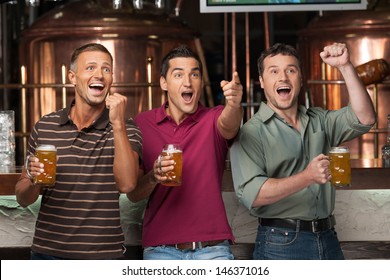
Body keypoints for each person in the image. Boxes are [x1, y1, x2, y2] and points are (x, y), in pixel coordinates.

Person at [230, 42, 376, 260]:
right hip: (280, 242)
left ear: (300, 79)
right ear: (261, 81)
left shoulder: (320, 120)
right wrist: (307, 177)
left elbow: (365, 117)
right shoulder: (251, 132)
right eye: (274, 71)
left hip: (328, 236)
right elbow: (253, 194)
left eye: (291, 70)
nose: (283, 78)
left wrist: (345, 66)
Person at [15, 43, 142, 260]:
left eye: (106, 69)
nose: (99, 75)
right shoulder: (45, 126)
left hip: (103, 258)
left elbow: (128, 184)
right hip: (47, 256)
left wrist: (118, 124)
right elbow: (22, 197)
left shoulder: (126, 127)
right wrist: (34, 182)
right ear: (72, 77)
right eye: (90, 68)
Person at [127, 45, 243, 260]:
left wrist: (235, 104)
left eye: (195, 74)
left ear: (201, 82)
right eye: (178, 74)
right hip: (160, 249)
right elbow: (133, 195)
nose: (188, 82)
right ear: (164, 82)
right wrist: (153, 177)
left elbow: (230, 124)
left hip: (213, 248)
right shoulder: (143, 123)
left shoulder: (213, 118)